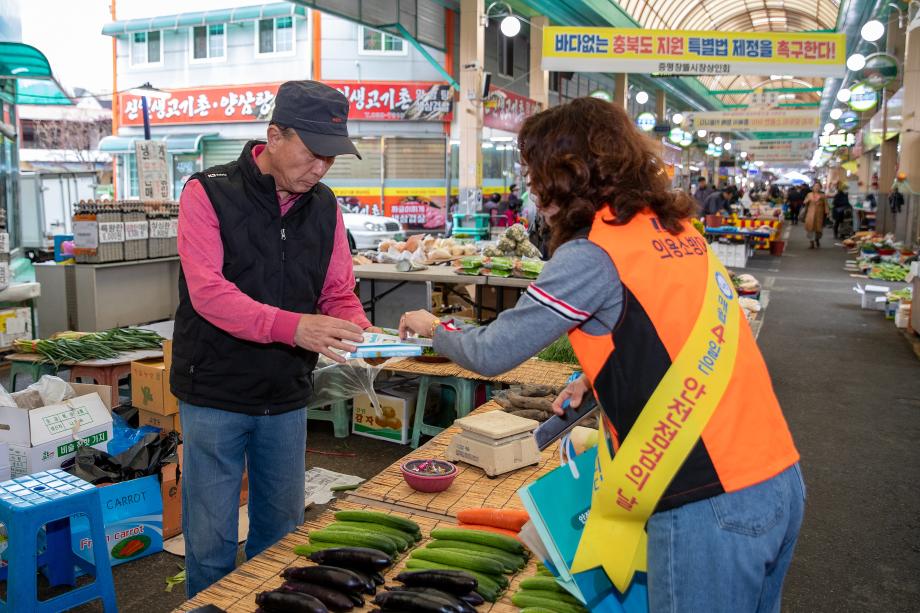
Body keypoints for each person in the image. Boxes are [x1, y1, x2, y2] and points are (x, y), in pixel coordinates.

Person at [399, 97, 803, 612]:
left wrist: (438, 327)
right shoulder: (676, 231)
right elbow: (682, 334)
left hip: (705, 496)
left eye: (534, 170)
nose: (531, 186)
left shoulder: (593, 253)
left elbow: (494, 350)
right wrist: (597, 378)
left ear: (564, 174)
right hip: (776, 476)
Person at [171, 81, 378, 597]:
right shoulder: (207, 192)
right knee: (212, 540)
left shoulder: (325, 206)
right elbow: (210, 294)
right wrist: (295, 326)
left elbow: (336, 291)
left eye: (330, 158)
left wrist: (364, 332)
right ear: (274, 136)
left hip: (285, 394)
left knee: (280, 538)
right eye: (312, 154)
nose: (320, 169)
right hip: (214, 391)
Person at [803, 182, 829, 248]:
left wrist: (827, 212)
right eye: (815, 186)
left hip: (819, 214)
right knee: (810, 228)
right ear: (813, 187)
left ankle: (817, 239)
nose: (816, 187)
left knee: (818, 229)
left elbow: (826, 204)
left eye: (818, 186)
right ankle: (811, 243)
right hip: (810, 214)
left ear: (820, 188)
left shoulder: (823, 195)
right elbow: (804, 202)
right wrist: (807, 200)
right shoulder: (809, 194)